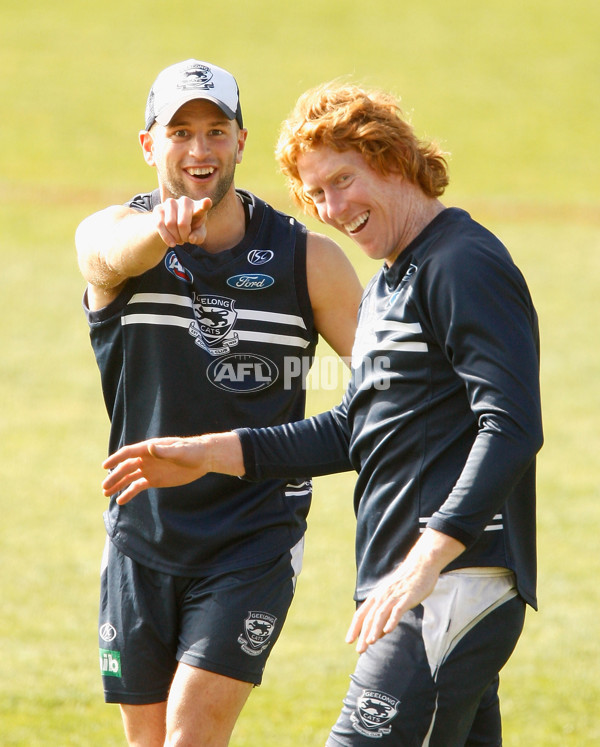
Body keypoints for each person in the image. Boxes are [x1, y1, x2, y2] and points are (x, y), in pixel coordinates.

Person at [101, 81, 543, 746]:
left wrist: (429, 558)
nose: (334, 209)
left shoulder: (462, 263)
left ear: (391, 158)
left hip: (451, 583)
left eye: (344, 179)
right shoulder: (396, 281)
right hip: (410, 586)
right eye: (318, 193)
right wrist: (210, 451)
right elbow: (357, 428)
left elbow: (511, 424)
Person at [75, 61, 362, 747]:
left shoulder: (308, 260)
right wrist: (162, 234)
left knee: (191, 733)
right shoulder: (112, 235)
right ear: (149, 146)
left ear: (240, 141)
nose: (199, 150)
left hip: (253, 535)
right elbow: (108, 257)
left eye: (215, 131)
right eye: (180, 132)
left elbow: (393, 386)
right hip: (141, 533)